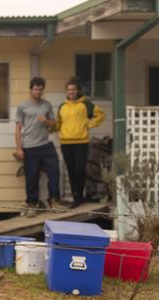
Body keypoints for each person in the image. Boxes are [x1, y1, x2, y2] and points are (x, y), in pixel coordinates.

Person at [14, 77, 61, 216]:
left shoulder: (47, 105)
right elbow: (18, 128)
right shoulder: (23, 106)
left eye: (40, 89)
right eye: (35, 89)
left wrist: (45, 120)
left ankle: (54, 201)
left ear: (43, 90)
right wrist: (19, 148)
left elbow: (54, 124)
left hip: (46, 145)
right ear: (31, 89)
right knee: (32, 176)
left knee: (54, 172)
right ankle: (32, 204)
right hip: (29, 146)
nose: (38, 92)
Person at [56, 77, 106, 208]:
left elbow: (101, 115)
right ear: (66, 91)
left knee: (79, 170)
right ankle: (77, 198)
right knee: (71, 171)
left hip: (81, 142)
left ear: (77, 91)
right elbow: (58, 124)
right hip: (65, 143)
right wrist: (49, 125)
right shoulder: (62, 107)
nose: (71, 92)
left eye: (73, 89)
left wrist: (90, 124)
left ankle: (79, 197)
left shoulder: (85, 104)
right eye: (68, 89)